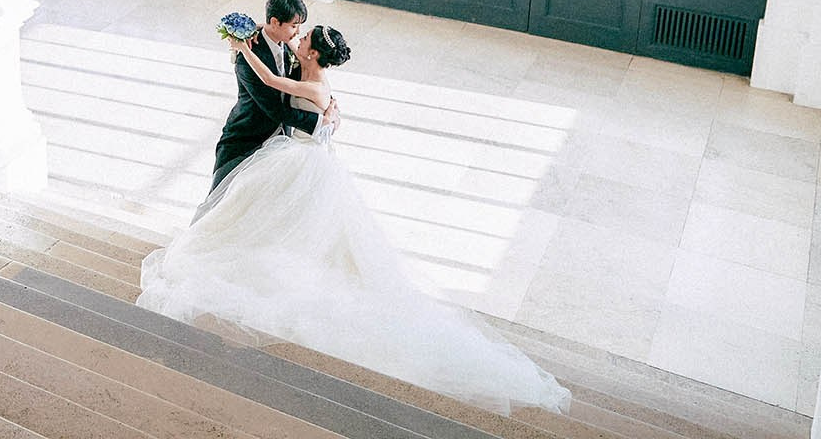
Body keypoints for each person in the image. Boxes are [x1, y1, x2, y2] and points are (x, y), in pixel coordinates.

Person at [139, 23, 572, 416]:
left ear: (312, 55)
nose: (298, 38)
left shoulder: (318, 87)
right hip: (296, 157)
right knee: (277, 224)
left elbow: (272, 82)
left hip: (302, 164)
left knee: (295, 231)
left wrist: (239, 47)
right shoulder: (309, 71)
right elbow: (291, 67)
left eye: (304, 39)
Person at [209, 0, 336, 193]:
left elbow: (311, 83)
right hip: (247, 139)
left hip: (282, 143)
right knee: (222, 201)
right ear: (276, 22)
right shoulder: (249, 59)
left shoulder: (290, 47)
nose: (298, 33)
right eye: (294, 26)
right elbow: (275, 108)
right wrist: (320, 123)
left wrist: (329, 108)